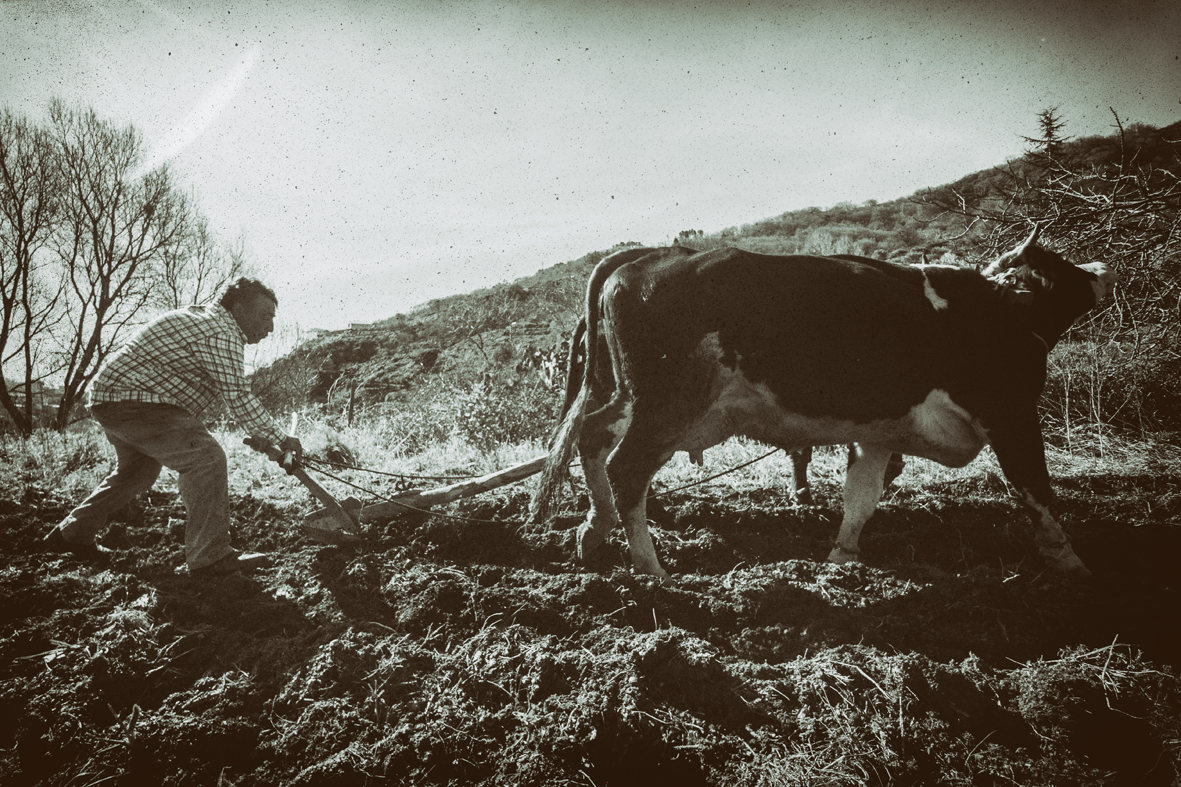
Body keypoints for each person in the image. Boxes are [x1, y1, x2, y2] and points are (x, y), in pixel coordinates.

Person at [43, 278, 303, 576]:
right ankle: (211, 558)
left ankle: (71, 534)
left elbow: (219, 401)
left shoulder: (207, 323)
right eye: (265, 315)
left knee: (138, 473)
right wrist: (282, 439)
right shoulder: (222, 331)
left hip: (114, 399)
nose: (269, 327)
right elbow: (238, 396)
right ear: (239, 308)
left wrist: (265, 438)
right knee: (207, 459)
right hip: (136, 401)